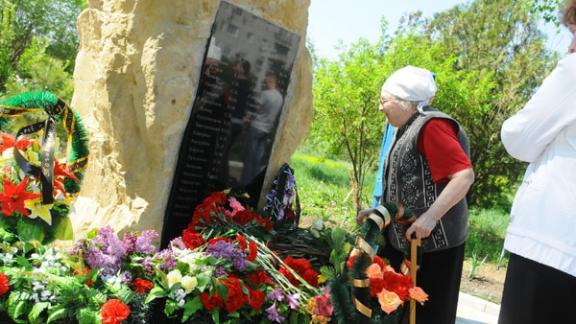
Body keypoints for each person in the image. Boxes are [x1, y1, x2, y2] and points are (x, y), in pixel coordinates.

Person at [357, 66, 475, 324]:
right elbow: (410, 186)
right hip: (408, 243)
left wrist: (431, 217)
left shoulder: (432, 126)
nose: (380, 108)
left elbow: (464, 176)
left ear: (404, 102)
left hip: (433, 249)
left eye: (383, 101)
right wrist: (380, 212)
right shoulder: (408, 125)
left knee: (425, 317)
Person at [497, 3, 576, 323]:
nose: (570, 46)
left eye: (574, 33)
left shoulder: (573, 71)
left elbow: (519, 138)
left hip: (552, 241)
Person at [241, 72, 284, 185]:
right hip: (266, 130)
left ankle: (245, 184)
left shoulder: (265, 94)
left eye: (266, 82)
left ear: (270, 81)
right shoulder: (280, 97)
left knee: (249, 158)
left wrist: (247, 118)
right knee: (257, 160)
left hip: (256, 127)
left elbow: (256, 109)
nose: (265, 84)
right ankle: (254, 184)